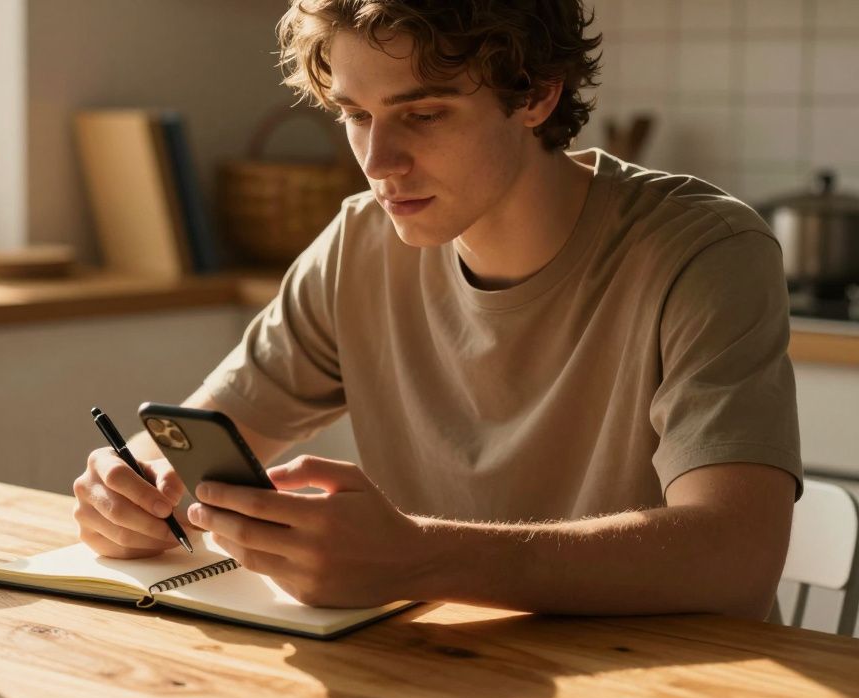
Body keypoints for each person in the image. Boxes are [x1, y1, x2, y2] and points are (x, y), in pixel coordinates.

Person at [72, 0, 801, 620]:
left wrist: (423, 559)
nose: (378, 160)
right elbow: (196, 441)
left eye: (420, 113)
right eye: (356, 115)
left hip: (670, 693)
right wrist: (130, 488)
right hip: (431, 680)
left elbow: (736, 555)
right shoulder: (358, 245)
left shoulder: (705, 251)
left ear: (538, 94)